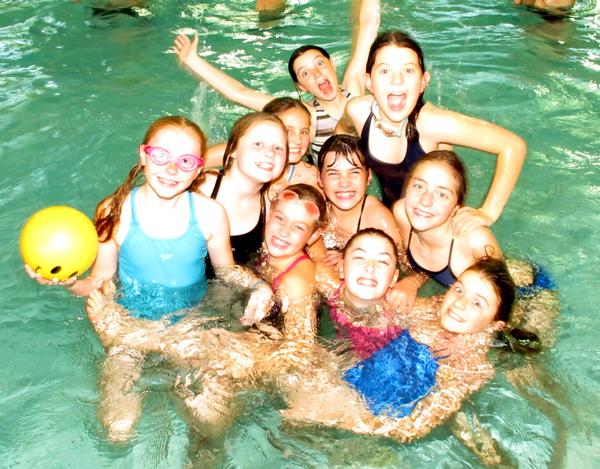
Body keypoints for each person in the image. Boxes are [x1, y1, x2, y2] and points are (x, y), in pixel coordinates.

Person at [26, 115, 273, 441]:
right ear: (143, 156)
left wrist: (257, 285)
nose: (172, 170)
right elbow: (100, 282)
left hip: (191, 325)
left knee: (212, 420)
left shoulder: (210, 214)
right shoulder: (114, 211)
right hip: (130, 330)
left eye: (185, 161)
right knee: (118, 429)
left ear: (199, 169)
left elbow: (226, 270)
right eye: (161, 156)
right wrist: (68, 281)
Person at [85, 183, 328, 434]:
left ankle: (133, 336)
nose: (284, 231)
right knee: (198, 403)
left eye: (298, 227)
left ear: (311, 237)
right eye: (279, 218)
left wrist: (235, 354)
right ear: (268, 213)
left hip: (264, 360)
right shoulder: (265, 255)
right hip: (240, 343)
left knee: (204, 355)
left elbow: (301, 352)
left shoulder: (296, 283)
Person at [336, 30, 527, 235]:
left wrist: (488, 212)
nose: (397, 80)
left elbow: (513, 146)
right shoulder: (357, 111)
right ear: (368, 82)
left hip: (435, 218)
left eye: (408, 70)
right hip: (395, 215)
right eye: (384, 71)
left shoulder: (433, 124)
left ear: (423, 81)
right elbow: (340, 133)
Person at [172, 0, 380, 156]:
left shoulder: (355, 88)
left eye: (319, 63)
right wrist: (193, 60)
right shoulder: (306, 115)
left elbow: (369, 24)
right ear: (302, 87)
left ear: (332, 64)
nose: (317, 74)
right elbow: (241, 94)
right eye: (305, 73)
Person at [388, 150, 502, 311]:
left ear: (456, 207)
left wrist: (421, 306)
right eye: (419, 186)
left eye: (442, 194)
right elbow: (412, 266)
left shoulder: (474, 241)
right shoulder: (402, 212)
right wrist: (412, 281)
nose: (425, 201)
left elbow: (493, 310)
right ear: (407, 188)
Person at [199, 112, 288, 269]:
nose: (270, 153)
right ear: (233, 150)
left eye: (278, 148)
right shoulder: (202, 188)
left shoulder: (270, 205)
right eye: (258, 144)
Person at [205, 98, 320, 200]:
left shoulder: (310, 176)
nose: (298, 140)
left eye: (304, 132)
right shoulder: (238, 151)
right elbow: (192, 163)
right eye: (288, 131)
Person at [313, 134, 400, 269]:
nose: (344, 183)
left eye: (354, 172)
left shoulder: (377, 218)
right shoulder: (317, 208)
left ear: (369, 176)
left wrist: (351, 257)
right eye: (333, 173)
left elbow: (402, 265)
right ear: (319, 179)